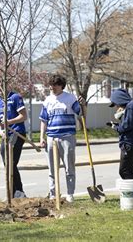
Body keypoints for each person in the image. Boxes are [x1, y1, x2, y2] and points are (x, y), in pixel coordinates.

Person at [39, 74, 82, 203]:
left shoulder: (70, 98)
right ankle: (53, 194)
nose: (52, 87)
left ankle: (70, 194)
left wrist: (83, 105)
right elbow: (43, 120)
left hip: (67, 136)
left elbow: (80, 112)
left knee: (69, 167)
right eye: (50, 85)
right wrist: (42, 137)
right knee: (52, 168)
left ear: (61, 85)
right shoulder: (47, 100)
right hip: (51, 137)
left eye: (55, 85)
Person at [0, 79, 27, 198]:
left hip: (17, 133)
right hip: (6, 134)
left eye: (0, 85)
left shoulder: (16, 97)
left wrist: (9, 122)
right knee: (6, 162)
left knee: (11, 162)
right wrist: (0, 131)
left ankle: (18, 192)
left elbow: (24, 116)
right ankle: (13, 193)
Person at [109, 88, 133, 179]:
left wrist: (116, 127)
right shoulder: (132, 106)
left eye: (116, 103)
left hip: (129, 143)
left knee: (124, 171)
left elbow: (127, 126)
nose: (116, 106)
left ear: (119, 99)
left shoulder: (131, 106)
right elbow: (129, 123)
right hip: (131, 142)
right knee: (129, 170)